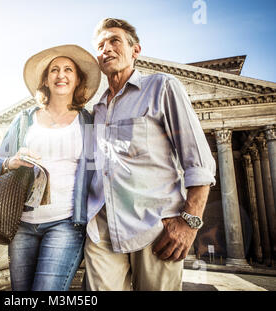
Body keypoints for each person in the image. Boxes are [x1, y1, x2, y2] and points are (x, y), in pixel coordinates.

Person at [84, 18, 216, 291]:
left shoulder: (162, 87)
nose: (106, 49)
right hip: (102, 232)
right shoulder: (94, 109)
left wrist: (190, 223)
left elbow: (199, 161)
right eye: (100, 45)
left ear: (136, 50)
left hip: (155, 228)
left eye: (114, 41)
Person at [0, 45, 101, 291]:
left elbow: (100, 173)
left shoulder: (89, 122)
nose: (61, 75)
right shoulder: (24, 119)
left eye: (68, 70)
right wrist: (12, 161)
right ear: (46, 80)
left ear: (77, 79)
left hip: (65, 224)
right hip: (22, 225)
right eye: (54, 70)